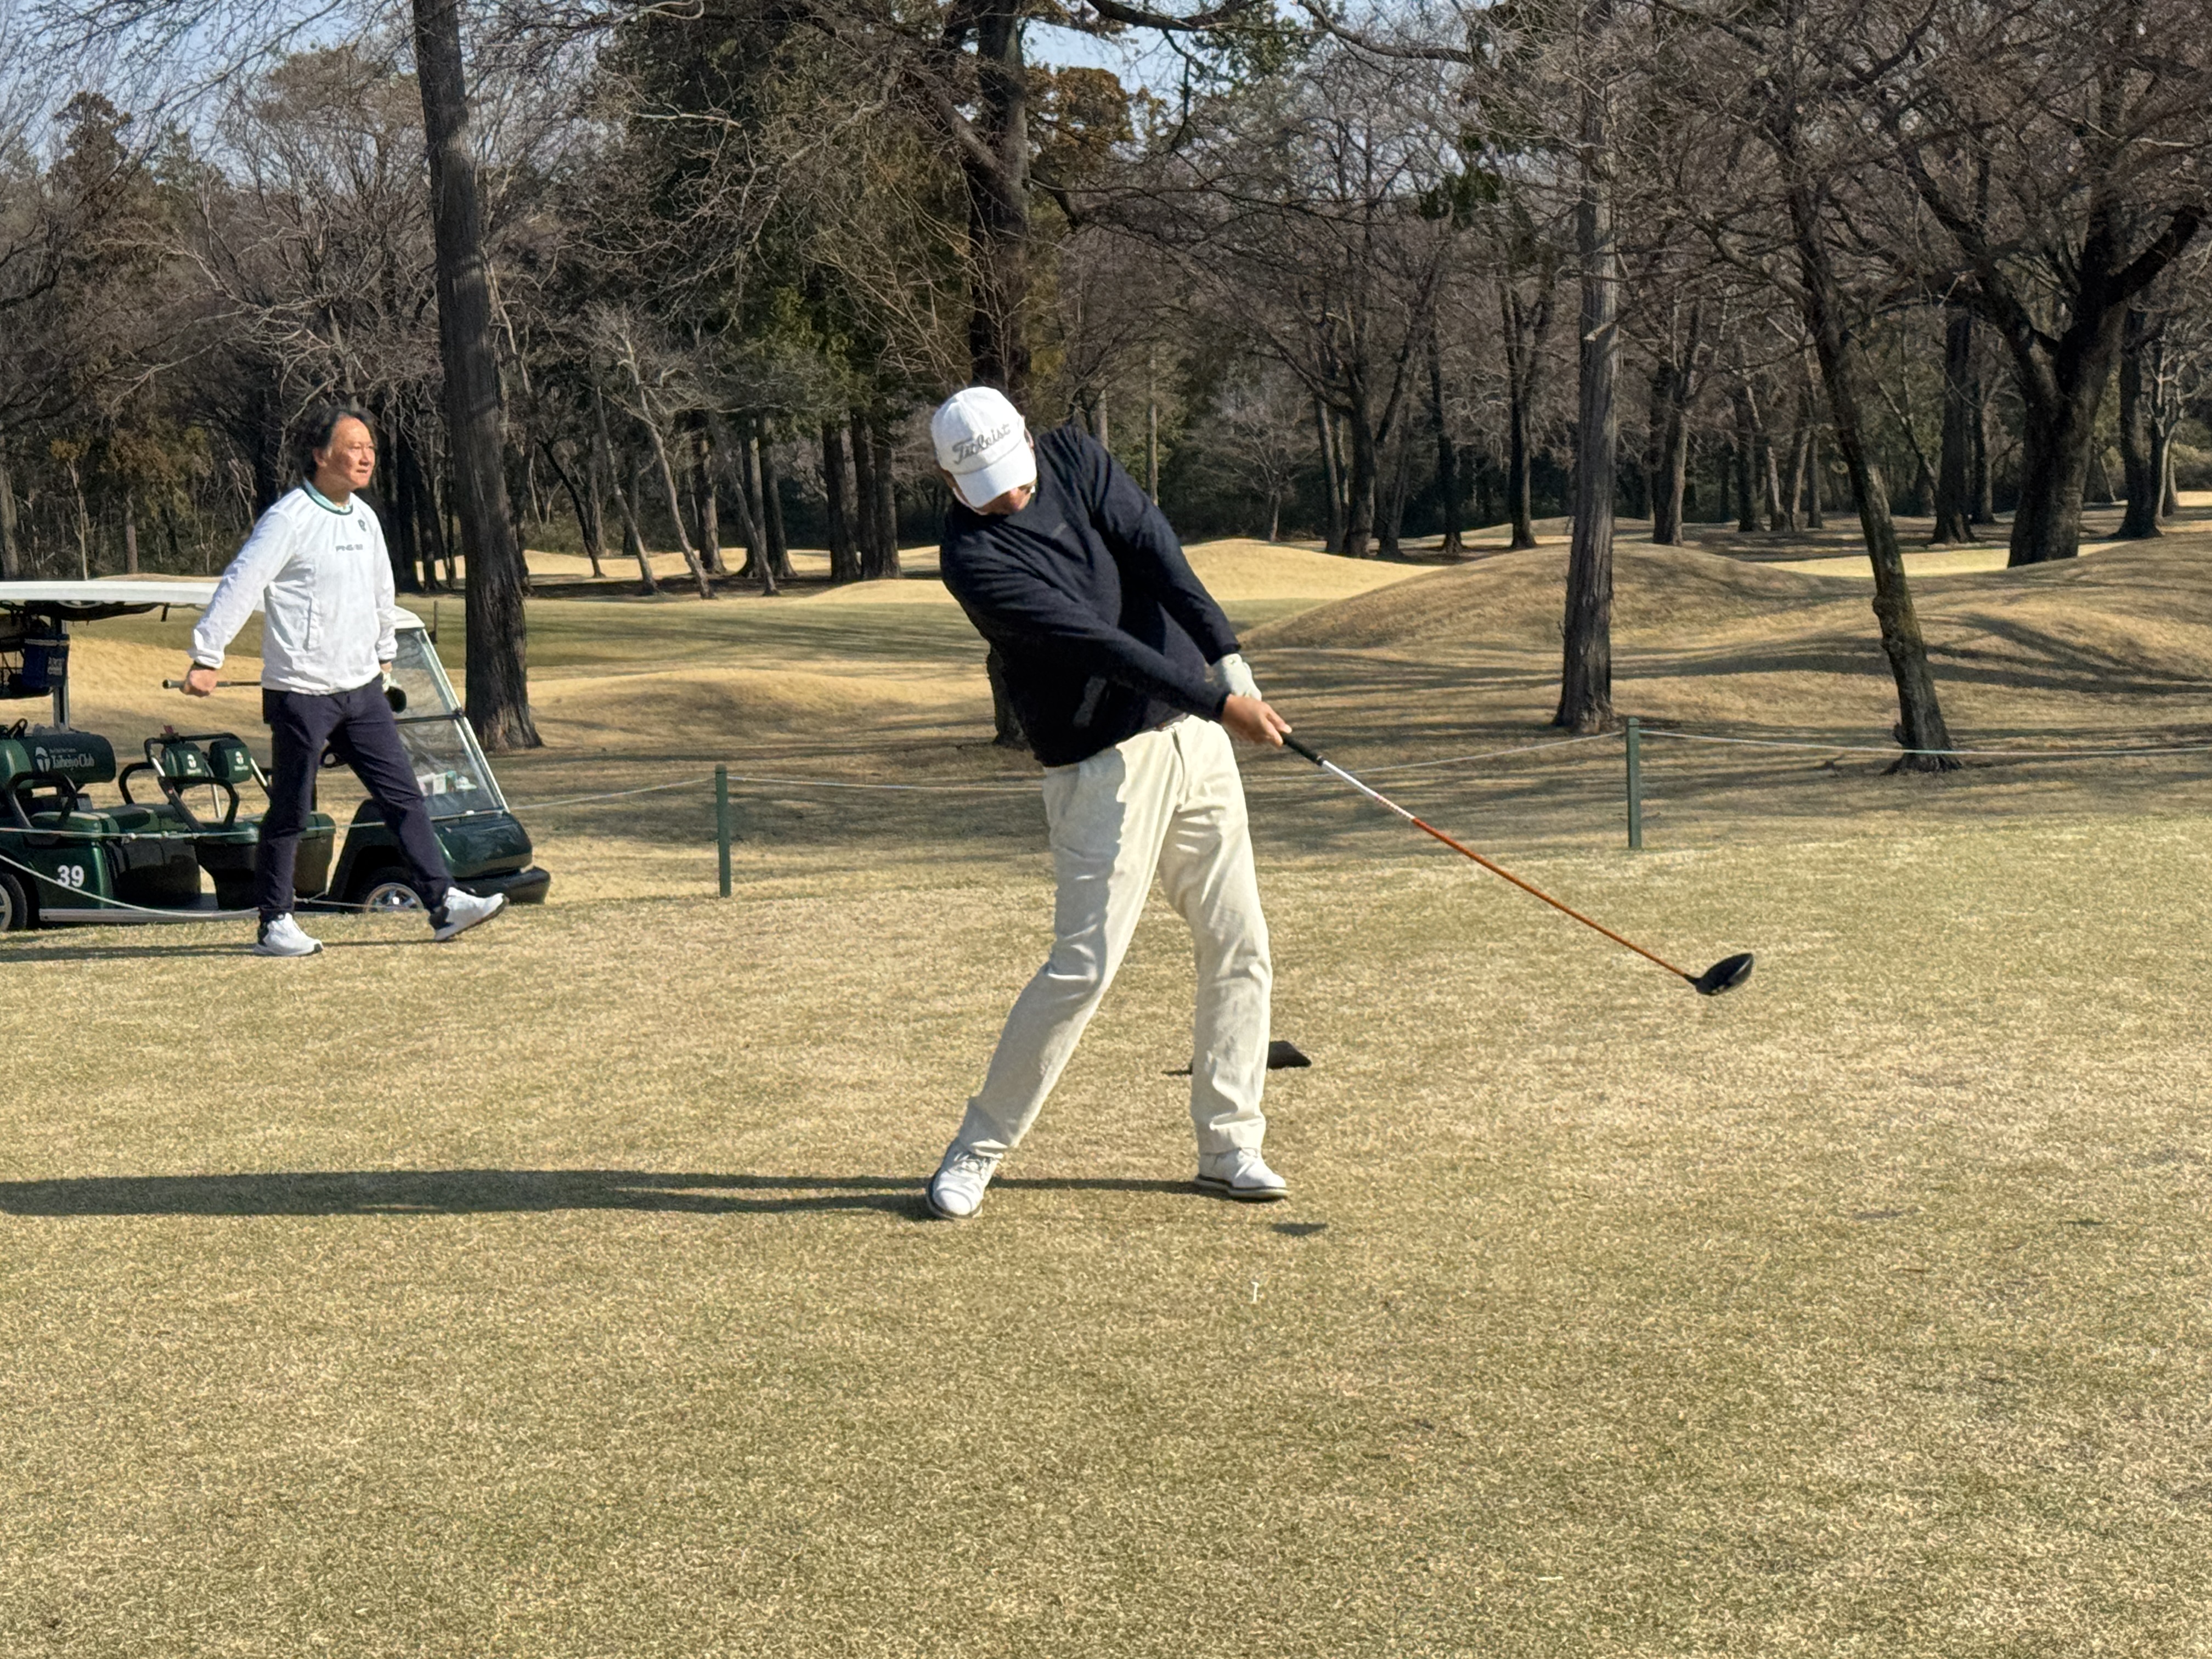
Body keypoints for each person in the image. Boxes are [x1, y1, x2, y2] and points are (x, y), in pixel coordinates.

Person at [924, 384, 1295, 1221]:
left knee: (1240, 941)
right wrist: (1221, 702)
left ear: (1027, 438)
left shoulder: (1074, 456)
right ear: (950, 483)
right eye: (987, 489)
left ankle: (1229, 1144)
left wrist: (1227, 655)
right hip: (1098, 766)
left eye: (1015, 474)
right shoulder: (972, 561)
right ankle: (978, 1147)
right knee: (1083, 967)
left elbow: (1155, 551)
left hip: (1194, 738)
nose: (1012, 496)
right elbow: (1099, 646)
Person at [182, 403, 506, 957]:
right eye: (353, 446)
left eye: (370, 448)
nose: (365, 456)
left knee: (403, 797)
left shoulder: (364, 518)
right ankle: (274, 923)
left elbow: (381, 591)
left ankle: (444, 903)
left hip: (362, 690)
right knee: (292, 808)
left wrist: (385, 654)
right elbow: (242, 582)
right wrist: (208, 655)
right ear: (319, 454)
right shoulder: (288, 519)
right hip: (301, 691)